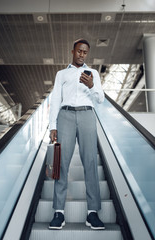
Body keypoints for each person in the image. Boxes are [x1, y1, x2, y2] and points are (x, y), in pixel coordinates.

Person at [48, 39, 105, 230]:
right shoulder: (62, 74)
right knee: (61, 162)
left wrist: (91, 85)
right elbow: (55, 98)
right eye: (79, 51)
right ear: (72, 51)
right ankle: (59, 212)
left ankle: (93, 213)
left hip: (88, 115)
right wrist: (52, 126)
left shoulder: (94, 74)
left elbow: (101, 99)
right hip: (65, 116)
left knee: (90, 161)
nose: (82, 54)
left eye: (85, 52)